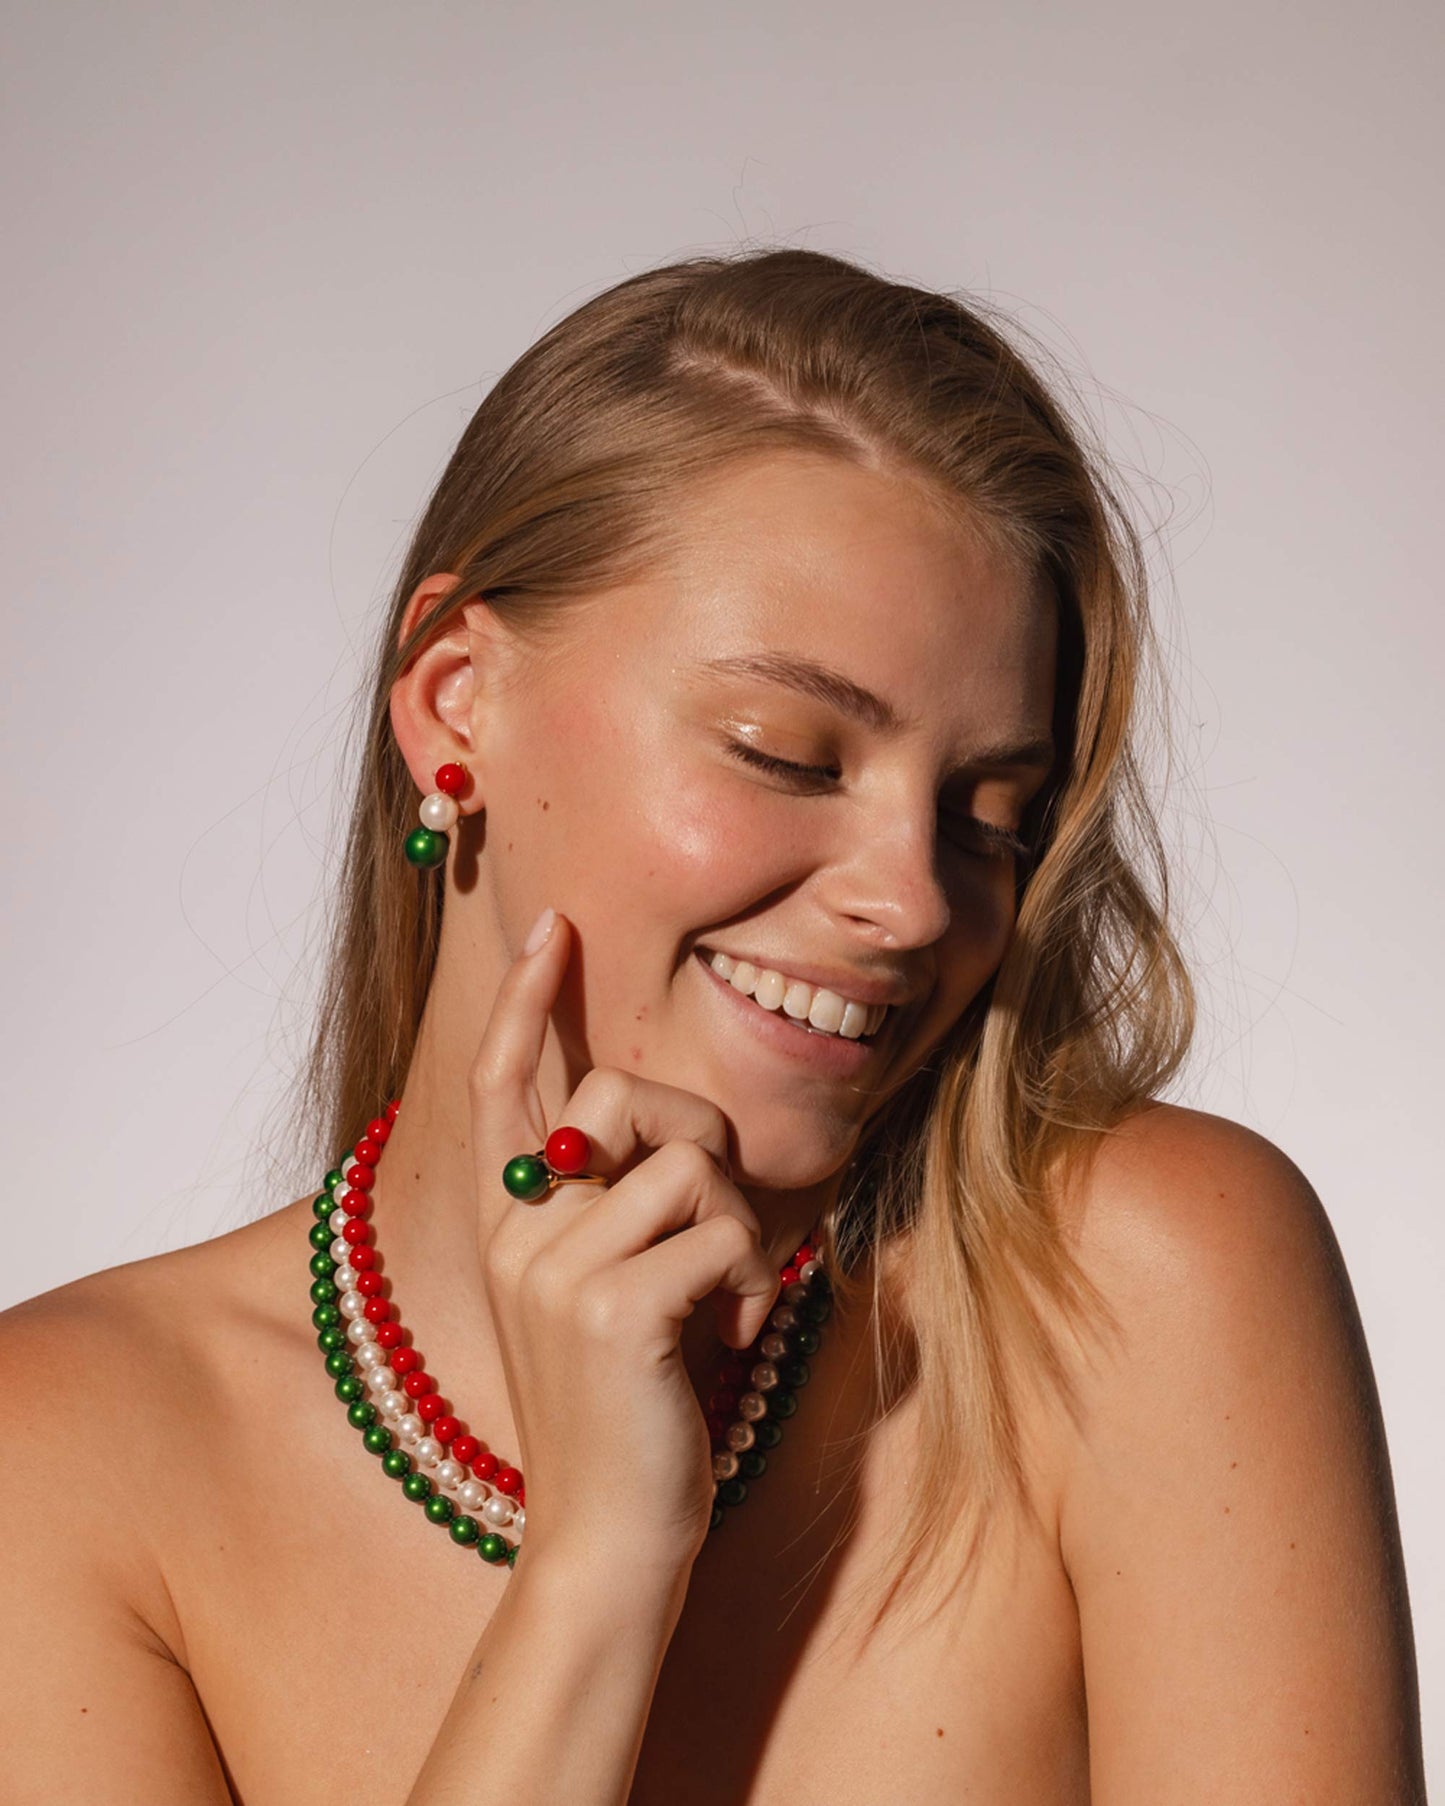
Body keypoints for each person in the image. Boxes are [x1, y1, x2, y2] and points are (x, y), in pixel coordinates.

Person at [0, 247, 1425, 1805]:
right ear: (456, 700)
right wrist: (595, 1570)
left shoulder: (1133, 1286)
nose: (912, 899)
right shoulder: (61, 1463)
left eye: (987, 813)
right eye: (787, 753)